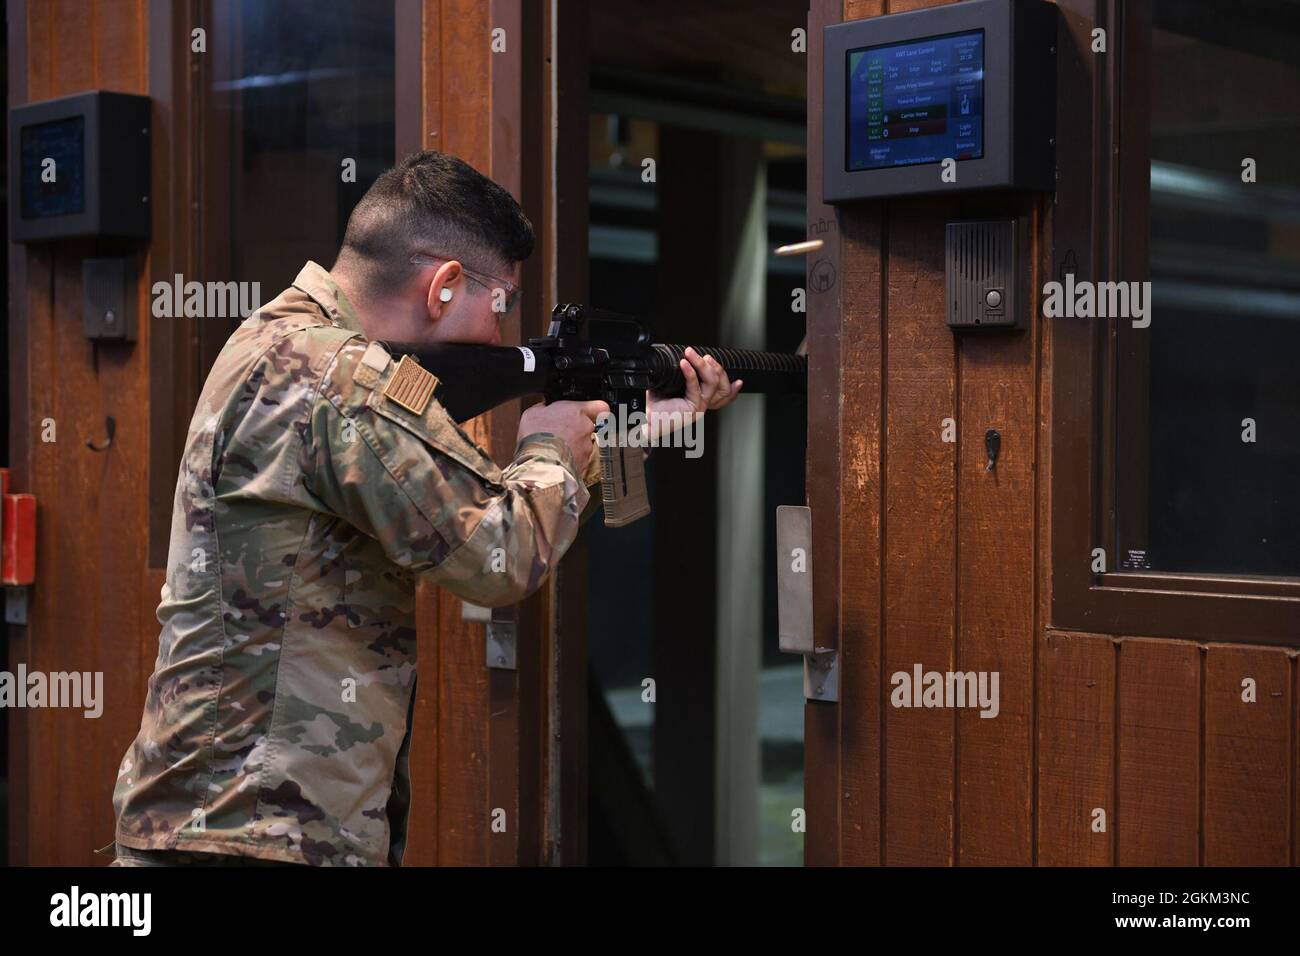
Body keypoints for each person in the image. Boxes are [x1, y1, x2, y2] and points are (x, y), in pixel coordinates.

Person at [108, 150, 739, 867]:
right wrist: (548, 441)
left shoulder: (278, 340)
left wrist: (628, 432)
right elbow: (498, 555)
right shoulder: (344, 380)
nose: (499, 337)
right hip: (254, 834)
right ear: (442, 285)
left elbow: (465, 510)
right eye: (499, 302)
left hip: (223, 821)